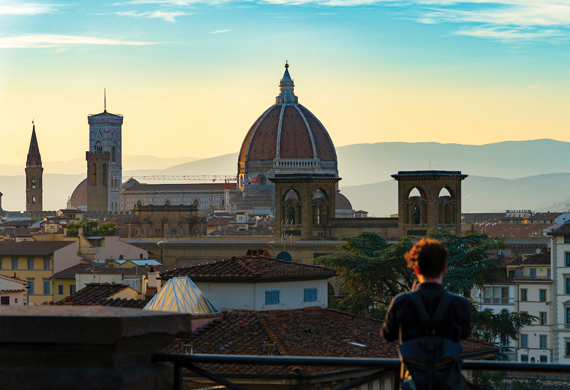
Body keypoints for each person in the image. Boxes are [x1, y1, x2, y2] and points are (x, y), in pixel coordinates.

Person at [381, 238, 472, 389]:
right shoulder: (460, 304)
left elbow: (387, 335)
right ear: (445, 268)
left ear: (416, 269)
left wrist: (411, 298)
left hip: (413, 383)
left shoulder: (402, 302)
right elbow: (464, 333)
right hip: (447, 384)